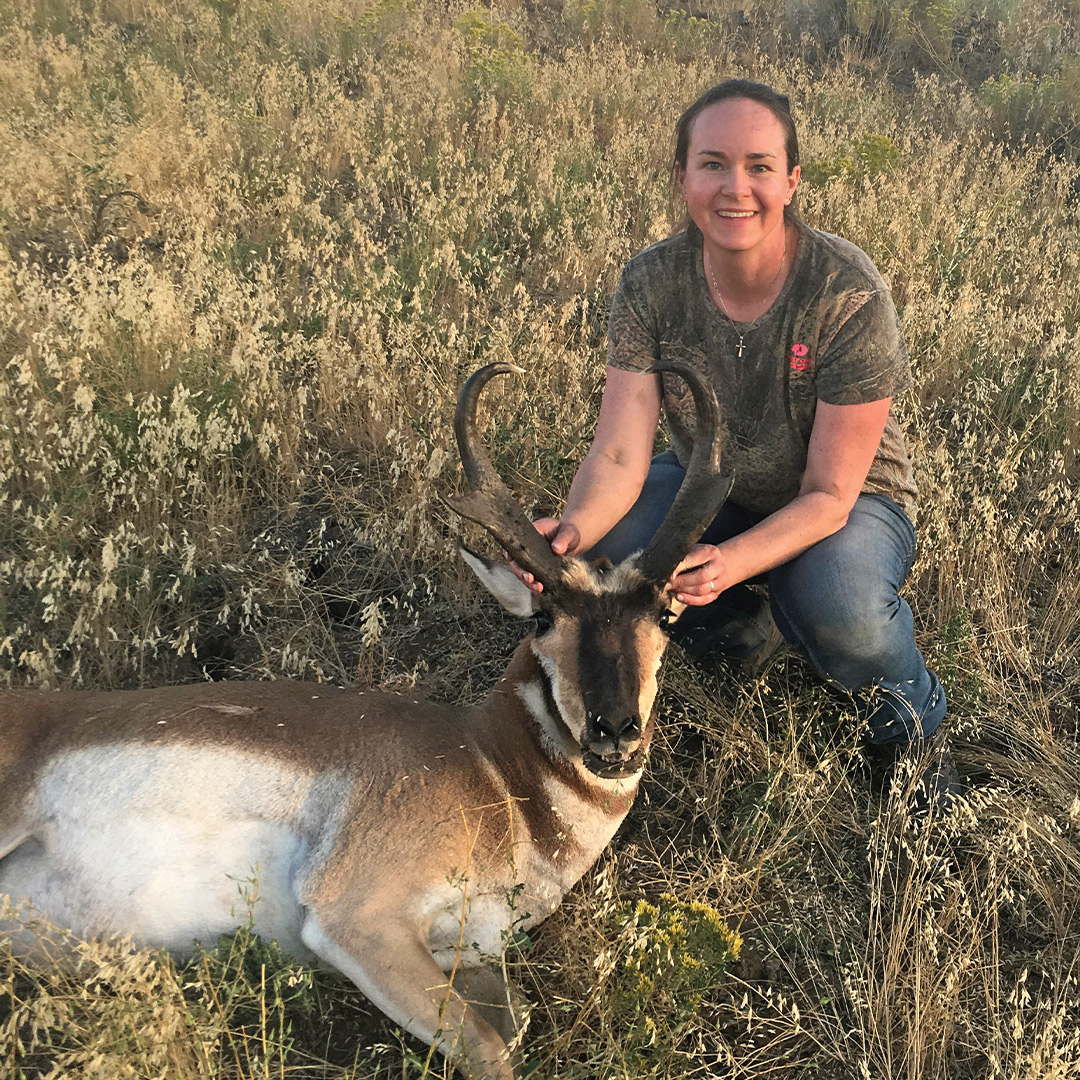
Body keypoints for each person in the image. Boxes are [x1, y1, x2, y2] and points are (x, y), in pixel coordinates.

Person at [516, 79, 958, 809]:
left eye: (758, 166)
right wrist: (567, 535)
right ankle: (741, 633)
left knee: (840, 610)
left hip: (846, 502)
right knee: (605, 555)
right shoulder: (651, 283)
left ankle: (910, 728)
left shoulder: (845, 292)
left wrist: (729, 561)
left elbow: (828, 495)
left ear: (791, 181)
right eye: (713, 163)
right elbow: (621, 456)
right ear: (682, 176)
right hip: (711, 485)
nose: (735, 187)